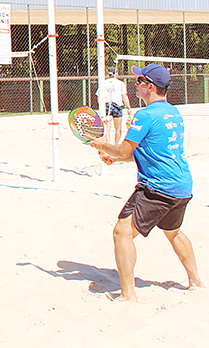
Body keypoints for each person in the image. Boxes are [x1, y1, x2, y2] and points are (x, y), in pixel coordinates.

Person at [86, 64, 204, 302]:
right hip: (181, 185)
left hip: (158, 188)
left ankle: (128, 295)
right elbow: (144, 150)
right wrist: (115, 156)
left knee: (121, 232)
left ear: (150, 86)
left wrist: (102, 145)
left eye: (139, 80)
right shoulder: (173, 112)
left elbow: (123, 149)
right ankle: (196, 282)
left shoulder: (146, 115)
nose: (135, 84)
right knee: (173, 231)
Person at [96, 65, 132, 144]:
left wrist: (101, 106)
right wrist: (129, 107)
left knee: (107, 128)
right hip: (117, 106)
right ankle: (116, 145)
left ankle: (108, 144)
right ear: (116, 73)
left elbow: (99, 96)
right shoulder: (120, 83)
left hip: (107, 105)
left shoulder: (103, 83)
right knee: (117, 128)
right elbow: (124, 96)